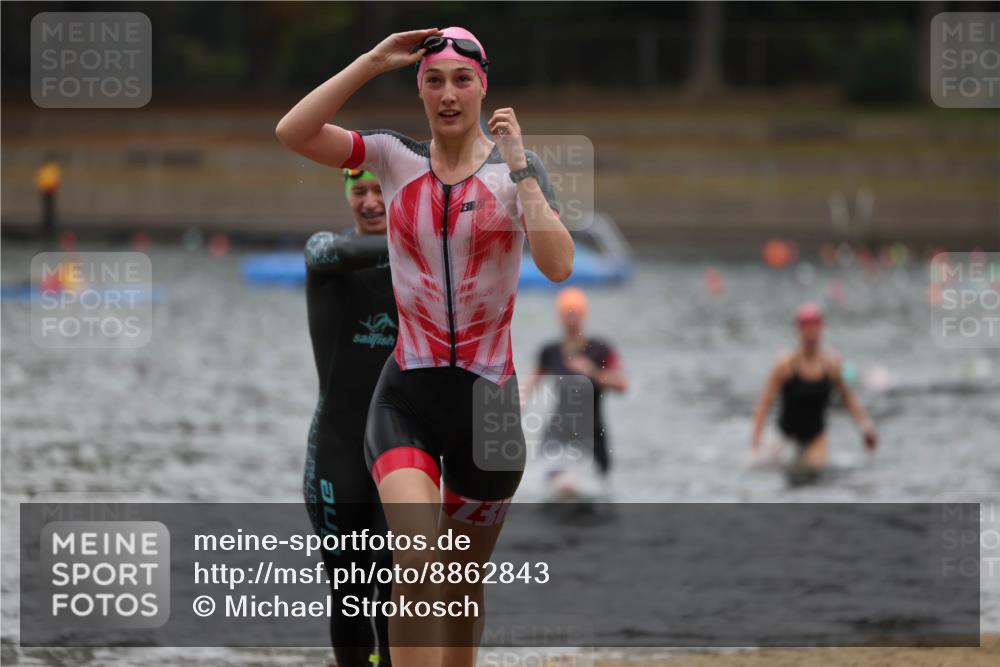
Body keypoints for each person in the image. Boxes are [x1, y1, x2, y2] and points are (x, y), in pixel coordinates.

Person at [277, 26, 574, 667]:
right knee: (415, 561)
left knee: (462, 586)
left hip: (489, 407)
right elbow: (293, 133)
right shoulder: (390, 157)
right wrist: (371, 61)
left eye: (461, 80)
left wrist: (521, 166)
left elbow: (557, 264)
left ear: (483, 86)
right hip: (405, 395)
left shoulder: (513, 173)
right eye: (434, 81)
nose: (448, 94)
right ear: (419, 91)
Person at [302, 168, 395, 667]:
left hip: (400, 449)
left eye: (382, 190)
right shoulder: (327, 255)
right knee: (350, 589)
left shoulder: (423, 270)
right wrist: (426, 235)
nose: (370, 201)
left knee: (395, 582)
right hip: (337, 453)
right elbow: (322, 252)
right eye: (359, 192)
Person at [522, 287, 628, 487]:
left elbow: (622, 384)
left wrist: (593, 373)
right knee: (562, 487)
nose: (571, 321)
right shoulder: (550, 351)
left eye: (575, 315)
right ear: (559, 317)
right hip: (559, 433)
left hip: (593, 433)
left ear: (583, 315)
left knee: (598, 489)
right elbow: (530, 385)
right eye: (566, 315)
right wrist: (517, 406)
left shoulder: (601, 349)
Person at [751, 303, 878, 469]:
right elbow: (764, 405)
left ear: (822, 328)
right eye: (806, 326)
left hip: (816, 437)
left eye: (815, 326)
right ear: (798, 330)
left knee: (816, 475)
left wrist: (866, 428)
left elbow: (848, 399)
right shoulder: (785, 364)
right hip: (785, 437)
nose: (811, 331)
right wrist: (755, 443)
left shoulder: (832, 364)